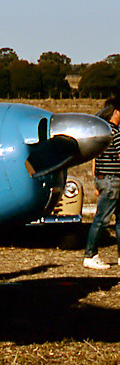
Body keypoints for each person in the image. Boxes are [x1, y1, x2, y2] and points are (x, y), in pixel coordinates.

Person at [83, 97, 120, 269]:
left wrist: (96, 181)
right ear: (116, 112)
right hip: (114, 180)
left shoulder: (102, 133)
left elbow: (95, 159)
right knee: (102, 220)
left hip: (105, 179)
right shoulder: (116, 133)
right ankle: (90, 255)